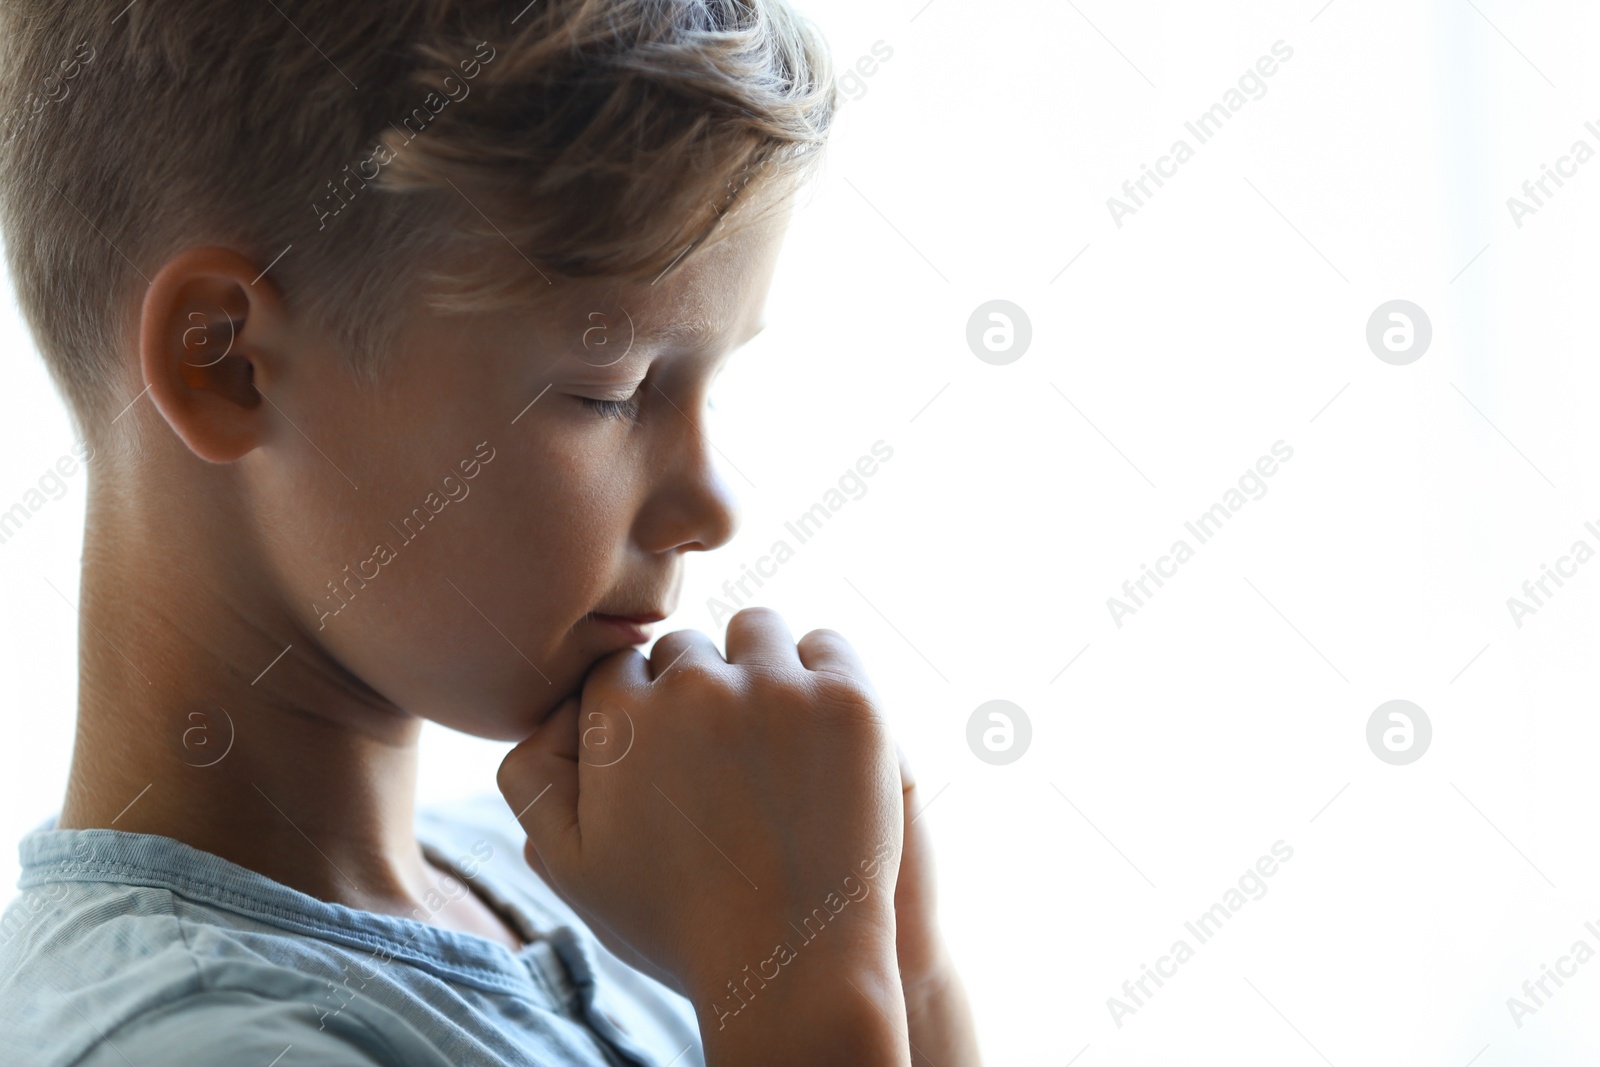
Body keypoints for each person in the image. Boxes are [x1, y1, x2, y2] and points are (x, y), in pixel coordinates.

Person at [0, 1, 982, 1064]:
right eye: (612, 391)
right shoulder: (191, 1039)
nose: (708, 504)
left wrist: (898, 958)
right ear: (226, 362)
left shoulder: (592, 880)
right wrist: (801, 996)